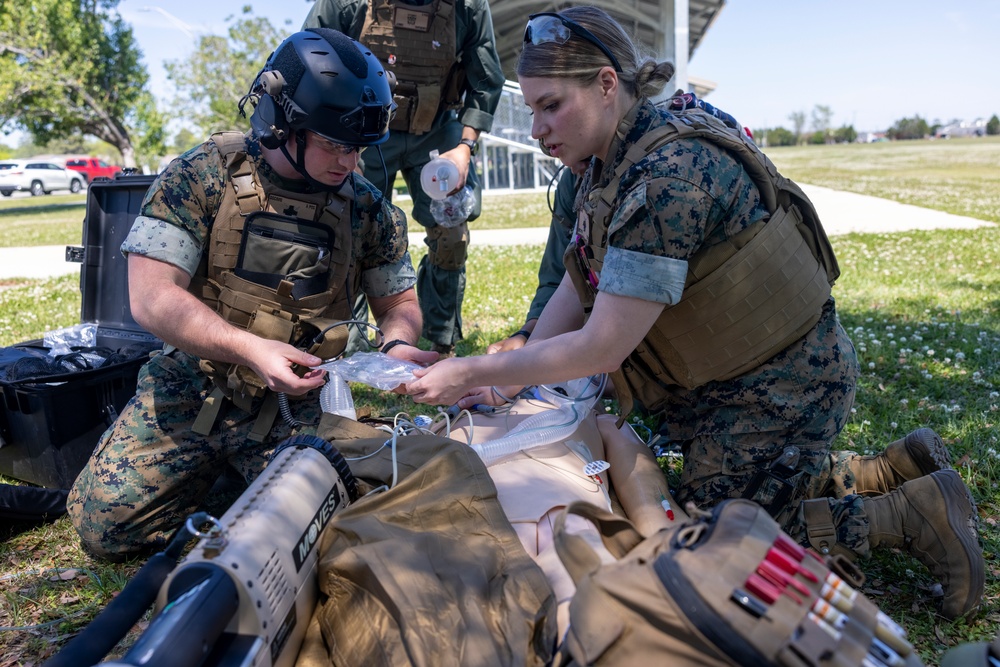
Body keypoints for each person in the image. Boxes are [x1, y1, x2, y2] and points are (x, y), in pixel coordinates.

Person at [405, 6, 984, 620]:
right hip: (735, 381)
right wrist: (505, 382)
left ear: (607, 84)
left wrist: (473, 372)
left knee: (714, 549)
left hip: (779, 388)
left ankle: (908, 513)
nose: (538, 130)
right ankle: (878, 470)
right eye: (533, 109)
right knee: (709, 496)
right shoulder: (614, 158)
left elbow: (603, 345)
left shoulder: (666, 179)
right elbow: (579, 285)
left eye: (552, 106)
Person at [66, 28, 436, 560]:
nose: (349, 163)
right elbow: (151, 298)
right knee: (107, 532)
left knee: (328, 532)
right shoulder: (200, 177)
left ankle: (236, 476)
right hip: (195, 383)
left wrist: (396, 347)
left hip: (295, 401)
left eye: (357, 148)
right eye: (335, 144)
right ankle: (220, 475)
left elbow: (399, 305)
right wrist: (248, 349)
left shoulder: (366, 207)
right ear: (284, 123)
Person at [304, 0, 505, 357]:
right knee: (344, 230)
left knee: (452, 236)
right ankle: (346, 342)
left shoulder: (467, 7)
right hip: (361, 131)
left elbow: (486, 80)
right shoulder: (347, 4)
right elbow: (308, 61)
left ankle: (439, 335)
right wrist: (341, 148)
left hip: (438, 132)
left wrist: (464, 147)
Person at [487, 158, 586, 354]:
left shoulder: (648, 174)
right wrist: (526, 335)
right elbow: (559, 278)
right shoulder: (573, 179)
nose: (536, 133)